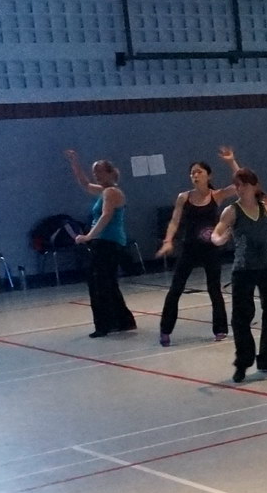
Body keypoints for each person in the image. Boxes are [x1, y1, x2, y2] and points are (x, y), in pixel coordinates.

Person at [209, 169, 267, 383]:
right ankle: (243, 362)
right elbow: (217, 232)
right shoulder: (232, 211)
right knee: (242, 317)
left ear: (254, 186)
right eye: (237, 185)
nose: (239, 189)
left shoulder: (266, 207)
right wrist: (219, 240)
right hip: (244, 269)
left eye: (243, 184)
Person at [154, 147, 240, 346]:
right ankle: (165, 330)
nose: (195, 175)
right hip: (189, 249)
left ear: (208, 175)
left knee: (214, 289)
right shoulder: (183, 197)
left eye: (199, 172)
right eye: (192, 173)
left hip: (211, 249)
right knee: (175, 289)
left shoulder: (216, 195)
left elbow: (241, 183)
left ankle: (220, 329)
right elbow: (174, 221)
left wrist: (231, 162)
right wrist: (168, 241)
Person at [64, 150, 137, 339]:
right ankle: (123, 321)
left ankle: (104, 325)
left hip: (108, 242)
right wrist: (75, 162)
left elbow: (106, 216)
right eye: (94, 172)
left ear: (110, 173)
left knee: (99, 284)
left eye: (99, 171)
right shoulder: (104, 191)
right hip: (106, 242)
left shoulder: (111, 192)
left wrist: (88, 236)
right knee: (108, 283)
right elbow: (85, 184)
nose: (96, 175)